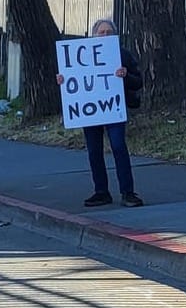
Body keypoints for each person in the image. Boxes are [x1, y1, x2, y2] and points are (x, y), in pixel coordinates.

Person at [61, 18, 143, 208]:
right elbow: (74, 79)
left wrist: (125, 75)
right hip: (91, 111)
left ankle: (128, 192)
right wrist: (63, 80)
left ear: (115, 35)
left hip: (113, 108)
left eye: (109, 32)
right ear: (94, 35)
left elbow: (138, 82)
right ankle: (101, 191)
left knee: (118, 147)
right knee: (94, 151)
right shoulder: (82, 55)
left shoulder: (122, 55)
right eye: (101, 32)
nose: (105, 36)